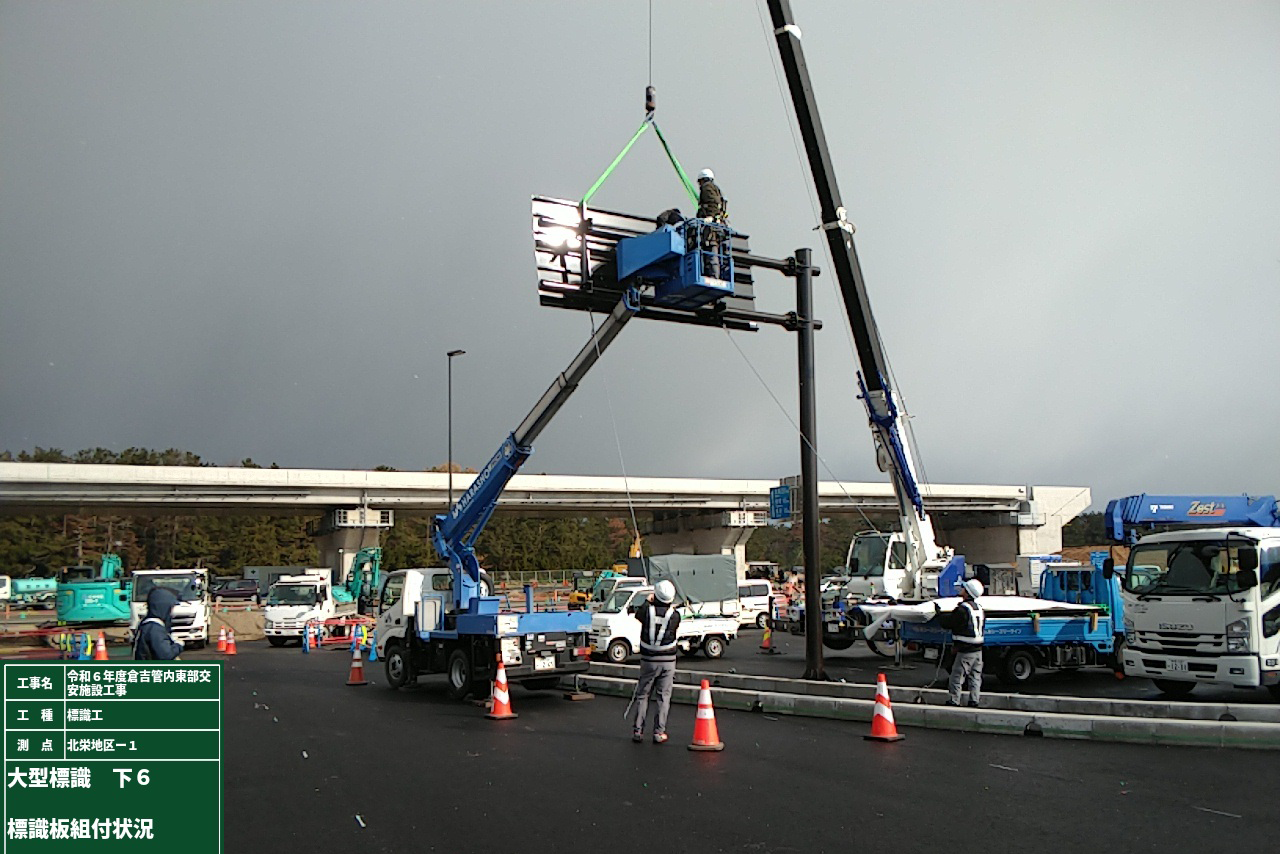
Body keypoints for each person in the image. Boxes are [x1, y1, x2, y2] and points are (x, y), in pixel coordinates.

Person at [631, 579, 681, 744]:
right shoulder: (674, 615)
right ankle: (659, 732)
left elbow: (638, 614)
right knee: (663, 696)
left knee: (643, 694)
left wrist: (648, 600)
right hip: (668, 660)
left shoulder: (646, 612)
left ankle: (638, 730)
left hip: (648, 660)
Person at [933, 578, 985, 707]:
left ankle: (954, 700)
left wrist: (938, 613)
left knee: (957, 677)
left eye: (964, 589)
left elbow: (949, 623)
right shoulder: (979, 608)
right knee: (975, 677)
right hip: (978, 650)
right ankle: (974, 700)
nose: (961, 590)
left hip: (965, 650)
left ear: (967, 592)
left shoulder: (963, 609)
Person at [133, 586, 184, 660]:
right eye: (171, 607)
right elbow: (165, 655)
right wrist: (178, 645)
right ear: (163, 607)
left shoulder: (146, 624)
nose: (172, 612)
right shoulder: (154, 628)